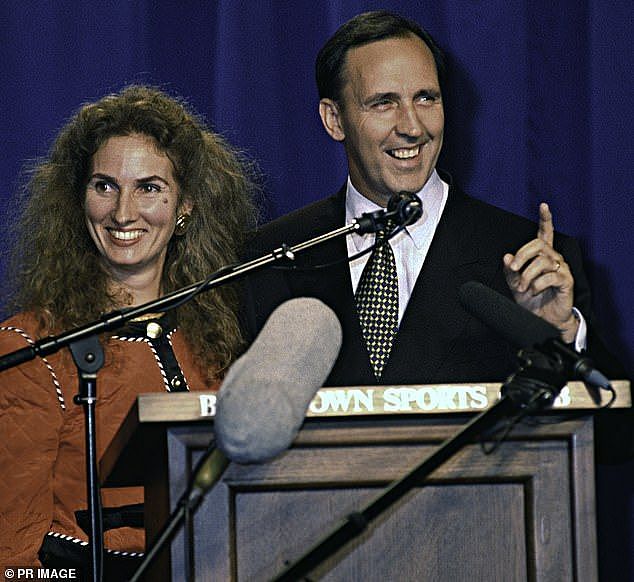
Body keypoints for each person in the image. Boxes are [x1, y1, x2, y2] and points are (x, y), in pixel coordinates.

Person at [241, 10, 624, 387]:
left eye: (426, 98)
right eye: (383, 103)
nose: (412, 127)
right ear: (334, 120)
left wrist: (560, 332)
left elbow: (615, 434)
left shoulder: (527, 260)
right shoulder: (270, 258)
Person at [0, 85, 257, 577]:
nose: (123, 212)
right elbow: (12, 561)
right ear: (78, 202)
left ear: (186, 208)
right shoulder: (30, 349)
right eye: (104, 186)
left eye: (149, 187)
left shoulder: (220, 338)